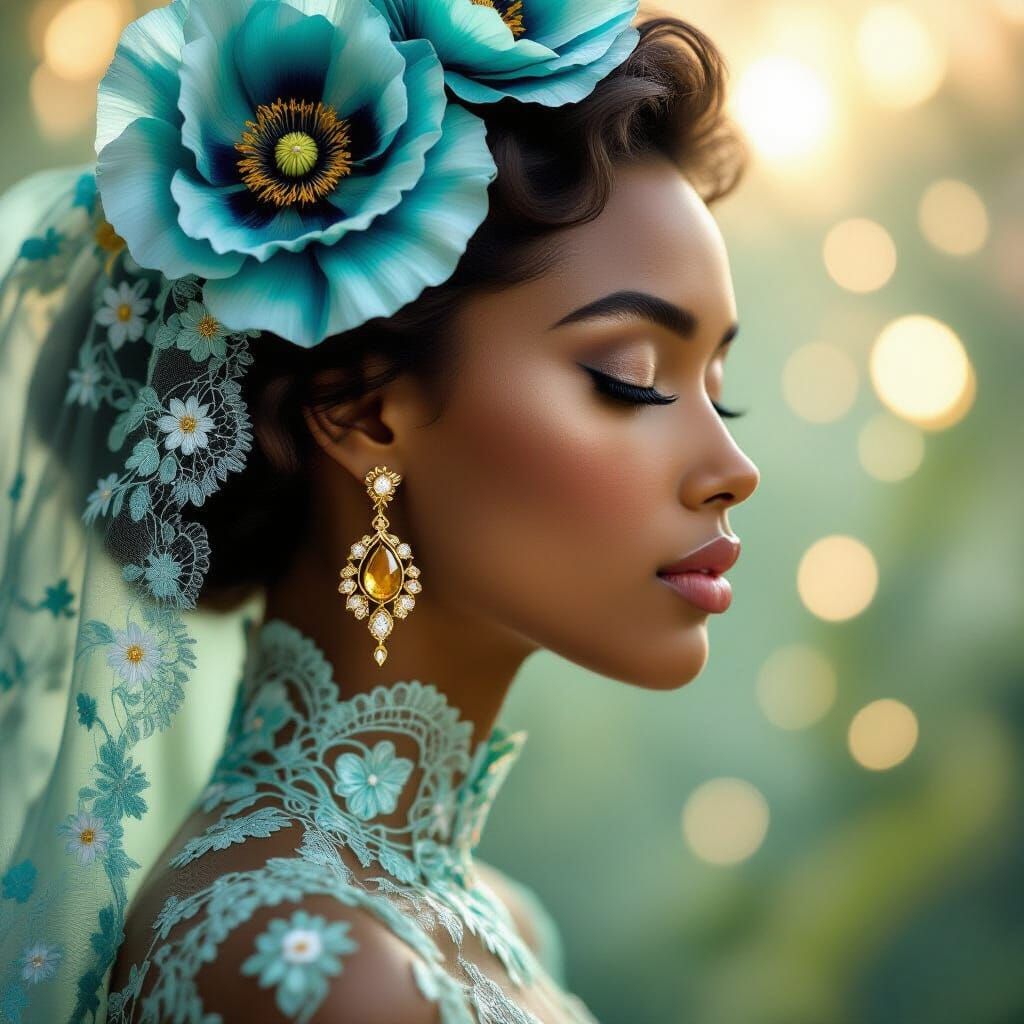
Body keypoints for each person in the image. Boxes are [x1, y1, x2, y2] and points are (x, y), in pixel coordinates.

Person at [0, 0, 759, 1020]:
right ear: (359, 409)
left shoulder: (499, 923)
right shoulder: (314, 964)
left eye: (720, 383)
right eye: (630, 378)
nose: (731, 465)